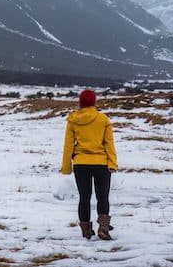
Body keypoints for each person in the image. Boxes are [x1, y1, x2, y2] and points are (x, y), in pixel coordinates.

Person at [61, 89, 118, 240]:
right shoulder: (103, 119)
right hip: (101, 164)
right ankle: (104, 227)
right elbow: (109, 144)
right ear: (94, 101)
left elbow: (68, 145)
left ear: (80, 102)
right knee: (103, 197)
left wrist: (66, 166)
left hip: (81, 164)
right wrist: (112, 163)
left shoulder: (73, 119)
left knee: (84, 198)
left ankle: (86, 231)